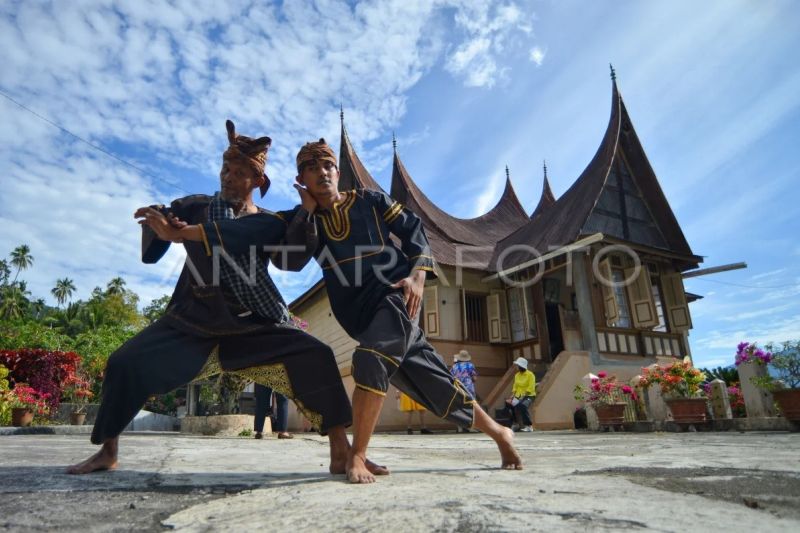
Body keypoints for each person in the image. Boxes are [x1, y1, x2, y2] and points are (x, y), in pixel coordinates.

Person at [190, 139, 523, 482]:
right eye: (311, 168)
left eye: (327, 166)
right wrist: (190, 231)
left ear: (337, 171)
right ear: (301, 179)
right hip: (360, 318)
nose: (322, 173)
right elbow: (280, 251)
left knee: (369, 359)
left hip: (395, 297)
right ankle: (501, 433)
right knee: (436, 385)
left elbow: (413, 230)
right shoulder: (306, 221)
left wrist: (418, 277)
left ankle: (357, 455)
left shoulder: (369, 200)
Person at [67, 121, 386, 479]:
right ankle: (108, 452)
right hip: (191, 321)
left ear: (258, 182)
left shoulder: (268, 222)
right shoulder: (197, 208)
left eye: (239, 173)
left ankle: (340, 452)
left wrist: (307, 213)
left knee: (318, 355)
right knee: (124, 362)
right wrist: (157, 222)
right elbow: (158, 242)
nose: (229, 178)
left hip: (253, 323)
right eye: (226, 170)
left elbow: (291, 261)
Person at [503, 357, 536, 432]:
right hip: (518, 396)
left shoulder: (530, 375)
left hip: (529, 395)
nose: (517, 367)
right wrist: (512, 397)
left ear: (522, 366)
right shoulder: (517, 375)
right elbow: (515, 387)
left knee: (522, 405)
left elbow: (530, 388)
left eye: (518, 365)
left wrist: (521, 398)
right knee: (508, 404)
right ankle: (515, 423)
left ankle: (529, 426)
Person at [450, 350, 477, 433]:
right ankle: (470, 427)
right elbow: (475, 378)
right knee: (470, 407)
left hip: (458, 389)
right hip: (469, 389)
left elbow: (450, 377)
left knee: (458, 407)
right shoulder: (470, 365)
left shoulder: (454, 367)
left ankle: (459, 427)